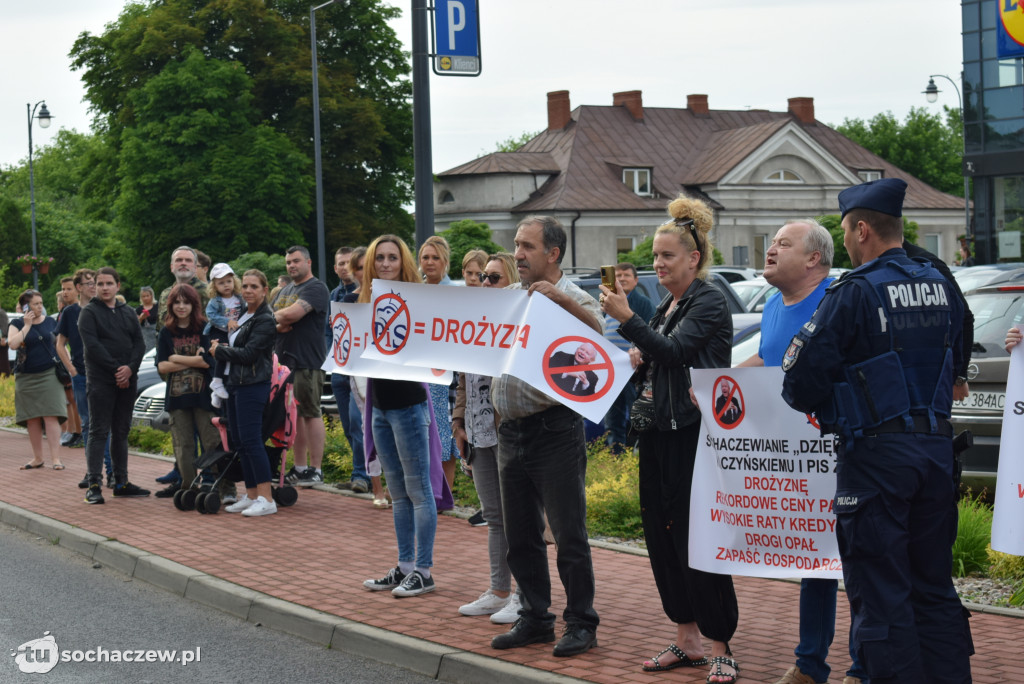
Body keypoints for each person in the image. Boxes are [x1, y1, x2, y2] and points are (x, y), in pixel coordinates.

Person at [782, 178, 972, 684]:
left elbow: (800, 383)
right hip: (936, 453)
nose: (844, 241)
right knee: (933, 588)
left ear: (862, 229)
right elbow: (963, 344)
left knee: (883, 595)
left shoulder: (856, 290)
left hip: (875, 460)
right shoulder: (942, 281)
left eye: (845, 231)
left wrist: (837, 402)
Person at [600, 197, 739, 682]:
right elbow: (661, 354)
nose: (657, 265)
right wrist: (640, 352)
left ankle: (720, 644)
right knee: (661, 536)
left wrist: (628, 321)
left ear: (693, 259)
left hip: (693, 436)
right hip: (658, 432)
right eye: (655, 257)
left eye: (667, 257)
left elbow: (679, 352)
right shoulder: (669, 301)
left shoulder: (709, 297)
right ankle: (687, 639)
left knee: (697, 540)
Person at [734, 220, 864, 684]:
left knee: (858, 561)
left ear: (814, 258)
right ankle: (810, 665)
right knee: (816, 558)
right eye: (771, 243)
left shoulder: (841, 300)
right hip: (797, 464)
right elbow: (769, 359)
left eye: (783, 244)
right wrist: (720, 386)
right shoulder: (772, 305)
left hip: (841, 451)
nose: (770, 250)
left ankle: (862, 667)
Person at [489, 216, 602, 658]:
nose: (517, 254)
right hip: (511, 431)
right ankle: (535, 618)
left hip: (555, 429)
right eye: (516, 245)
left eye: (527, 247)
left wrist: (559, 302)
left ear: (553, 254)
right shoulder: (511, 298)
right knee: (521, 535)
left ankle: (582, 623)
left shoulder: (573, 297)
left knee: (568, 534)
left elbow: (598, 336)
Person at [360, 235, 449, 598]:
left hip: (410, 405)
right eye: (379, 257)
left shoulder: (418, 299)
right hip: (379, 405)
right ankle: (406, 565)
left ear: (403, 262)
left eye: (392, 257)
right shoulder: (364, 301)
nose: (384, 263)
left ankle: (424, 571)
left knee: (418, 491)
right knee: (398, 494)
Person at [453, 252, 523, 624]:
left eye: (493, 278)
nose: (483, 283)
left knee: (521, 518)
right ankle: (499, 590)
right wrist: (457, 420)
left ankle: (525, 596)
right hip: (478, 431)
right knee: (495, 517)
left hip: (508, 431)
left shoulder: (518, 323)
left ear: (510, 280)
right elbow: (463, 379)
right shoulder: (473, 323)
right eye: (481, 277)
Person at [78, 267, 149, 504]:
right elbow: (93, 346)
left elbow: (139, 344)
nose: (104, 288)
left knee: (121, 431)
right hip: (101, 381)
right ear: (94, 287)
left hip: (128, 381)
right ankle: (94, 484)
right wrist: (117, 369)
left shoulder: (128, 312)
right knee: (99, 431)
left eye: (109, 283)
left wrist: (130, 369)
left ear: (118, 285)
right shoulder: (89, 313)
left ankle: (121, 482)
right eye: (100, 284)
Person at [212, 269, 279, 517]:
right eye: (246, 286)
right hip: (236, 384)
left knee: (252, 441)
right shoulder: (243, 315)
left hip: (253, 384)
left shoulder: (265, 319)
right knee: (240, 442)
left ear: (264, 289)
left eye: (254, 286)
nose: (248, 290)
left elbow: (250, 354)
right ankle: (251, 495)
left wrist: (219, 352)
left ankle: (267, 498)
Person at [154, 284, 222, 500]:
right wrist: (193, 361)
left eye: (186, 302)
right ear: (171, 305)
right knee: (183, 446)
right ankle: (189, 486)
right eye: (177, 302)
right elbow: (162, 367)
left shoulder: (205, 327)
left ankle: (212, 484)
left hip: (204, 397)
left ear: (194, 305)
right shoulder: (166, 332)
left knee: (211, 442)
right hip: (177, 399)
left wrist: (175, 358)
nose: (181, 306)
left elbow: (207, 362)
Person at [273, 246, 330, 487]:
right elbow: (273, 316)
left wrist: (280, 318)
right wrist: (278, 321)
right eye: (288, 263)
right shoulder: (286, 289)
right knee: (292, 417)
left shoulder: (316, 288)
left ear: (308, 262)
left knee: (310, 412)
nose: (292, 266)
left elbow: (291, 315)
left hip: (308, 360)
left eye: (296, 261)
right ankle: (299, 468)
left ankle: (316, 470)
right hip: (284, 363)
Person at [8, 289, 67, 470]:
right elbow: (13, 343)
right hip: (26, 376)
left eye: (41, 303)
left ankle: (56, 459)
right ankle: (37, 458)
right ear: (26, 306)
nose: (39, 307)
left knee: (51, 416)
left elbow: (61, 345)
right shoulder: (17, 323)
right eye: (35, 304)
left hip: (49, 374)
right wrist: (27, 326)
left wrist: (69, 366)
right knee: (32, 418)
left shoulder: (50, 322)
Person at [418, 235, 460, 490]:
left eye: (436, 257)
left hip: (446, 371)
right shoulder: (412, 289)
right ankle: (424, 489)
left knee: (444, 431)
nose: (430, 262)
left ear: (445, 261)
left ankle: (444, 491)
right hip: (418, 370)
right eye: (425, 257)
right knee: (420, 429)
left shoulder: (455, 292)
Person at [327, 246, 368, 493]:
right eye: (354, 267)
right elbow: (329, 330)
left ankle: (362, 475)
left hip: (361, 371)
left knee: (357, 420)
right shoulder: (337, 294)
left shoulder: (375, 294)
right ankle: (360, 471)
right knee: (348, 424)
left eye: (360, 266)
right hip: (339, 368)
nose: (353, 271)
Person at [602, 262, 655, 452]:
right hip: (611, 370)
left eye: (626, 275)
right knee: (613, 416)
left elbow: (650, 333)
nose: (622, 279)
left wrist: (636, 349)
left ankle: (637, 452)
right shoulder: (606, 303)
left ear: (636, 280)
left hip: (633, 369)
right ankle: (616, 453)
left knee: (635, 413)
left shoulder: (643, 304)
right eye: (618, 276)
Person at [205, 263, 243, 406]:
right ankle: (217, 381)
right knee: (221, 353)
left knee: (232, 357)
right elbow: (211, 316)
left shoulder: (240, 298)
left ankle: (217, 392)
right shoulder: (215, 301)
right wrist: (227, 321)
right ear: (214, 286)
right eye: (221, 283)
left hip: (234, 333)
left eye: (229, 281)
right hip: (219, 331)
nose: (226, 285)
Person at [56, 277, 82, 446]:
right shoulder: (67, 312)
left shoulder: (88, 309)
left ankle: (79, 432)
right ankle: (76, 432)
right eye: (63, 289)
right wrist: (71, 368)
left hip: (95, 366)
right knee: (73, 400)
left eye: (68, 289)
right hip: (77, 366)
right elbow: (60, 343)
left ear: (78, 289)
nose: (65, 292)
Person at [158, 246, 210, 331]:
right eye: (179, 260)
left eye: (188, 260)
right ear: (171, 267)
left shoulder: (208, 292)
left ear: (195, 268)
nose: (183, 263)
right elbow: (159, 329)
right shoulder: (165, 294)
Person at [136, 286, 159, 352]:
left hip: (157, 333)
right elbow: (136, 326)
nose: (146, 298)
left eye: (147, 296)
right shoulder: (138, 309)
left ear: (151, 296)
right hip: (145, 336)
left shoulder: (158, 306)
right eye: (143, 296)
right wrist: (141, 318)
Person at [0, 303, 10, 377]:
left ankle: (5, 378)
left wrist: (3, 337)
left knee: (3, 363)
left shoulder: (1, 313)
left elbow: (4, 327)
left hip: (2, 341)